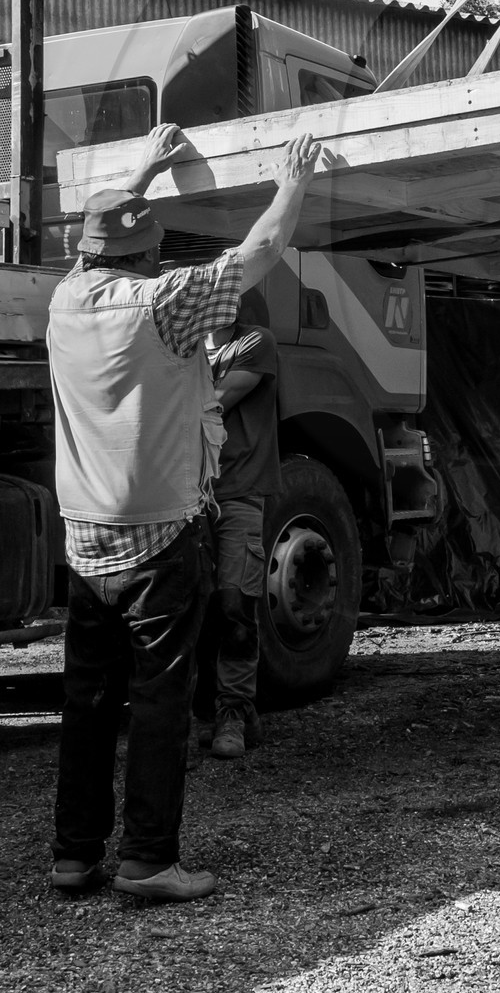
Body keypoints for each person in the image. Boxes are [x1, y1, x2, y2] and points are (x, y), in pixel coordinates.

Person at [46, 122, 320, 902]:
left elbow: (94, 247)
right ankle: (148, 861)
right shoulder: (159, 304)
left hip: (85, 538)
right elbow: (260, 251)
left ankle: (74, 856)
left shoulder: (67, 301)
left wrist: (140, 173)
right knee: (160, 700)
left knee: (87, 701)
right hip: (160, 539)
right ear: (145, 257)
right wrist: (293, 181)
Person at [197, 286, 281, 760]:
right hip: (189, 494)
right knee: (195, 608)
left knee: (235, 604)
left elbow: (212, 404)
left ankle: (232, 711)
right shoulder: (185, 349)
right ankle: (214, 711)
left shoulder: (254, 342)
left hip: (238, 491)